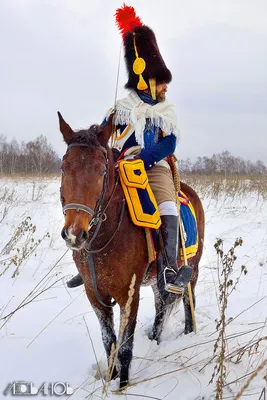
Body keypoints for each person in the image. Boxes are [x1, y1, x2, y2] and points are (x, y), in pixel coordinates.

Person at [67, 5, 192, 301]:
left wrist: (146, 159)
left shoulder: (165, 110)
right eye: (156, 79)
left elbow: (170, 144)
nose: (159, 85)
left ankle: (170, 268)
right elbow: (104, 137)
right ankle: (86, 261)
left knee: (167, 206)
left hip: (154, 167)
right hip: (120, 166)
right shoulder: (119, 108)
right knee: (94, 200)